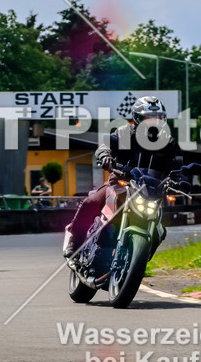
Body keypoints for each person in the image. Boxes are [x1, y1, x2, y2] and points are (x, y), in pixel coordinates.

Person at [63, 96, 181, 258]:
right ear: (137, 118)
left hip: (150, 190)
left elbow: (177, 165)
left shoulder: (168, 142)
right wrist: (105, 156)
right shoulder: (125, 132)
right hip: (120, 182)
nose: (154, 122)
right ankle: (75, 242)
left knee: (159, 231)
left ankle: (138, 260)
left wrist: (180, 179)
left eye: (159, 117)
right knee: (91, 202)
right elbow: (106, 146)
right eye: (149, 118)